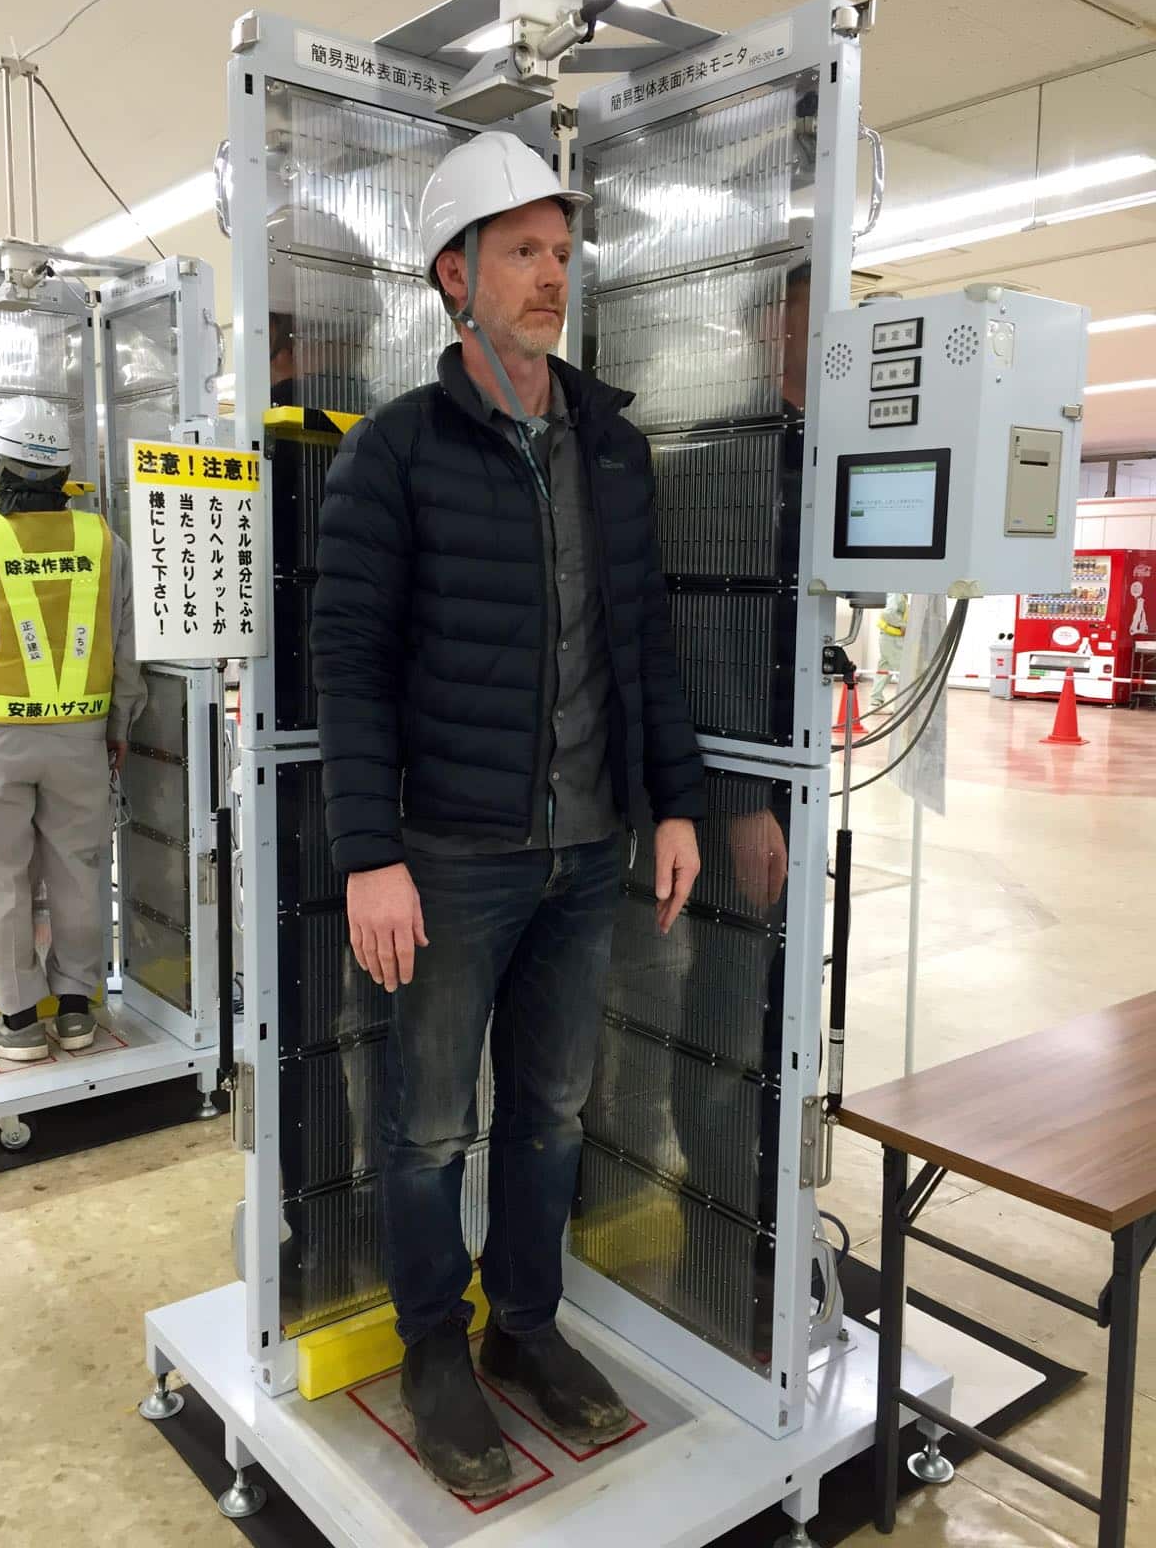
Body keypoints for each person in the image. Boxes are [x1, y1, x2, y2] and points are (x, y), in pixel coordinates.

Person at [311, 132, 705, 1496]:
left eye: (561, 248)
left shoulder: (612, 443)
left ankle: (524, 1330)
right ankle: (436, 1350)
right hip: (452, 859)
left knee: (549, 1113)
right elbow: (347, 662)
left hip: (590, 852)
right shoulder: (394, 455)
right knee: (425, 1128)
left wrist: (669, 805)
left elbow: (642, 639)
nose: (553, 274)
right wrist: (369, 853)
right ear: (455, 277)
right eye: (523, 250)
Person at [0, 396, 146, 1063]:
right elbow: (125, 650)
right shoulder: (105, 541)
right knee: (78, 871)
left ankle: (17, 1026)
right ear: (63, 470)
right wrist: (118, 725)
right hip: (84, 741)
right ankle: (74, 1013)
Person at [872, 592, 909, 707]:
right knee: (902, 670)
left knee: (884, 669)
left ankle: (875, 701)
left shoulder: (897, 593)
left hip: (888, 637)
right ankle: (904, 704)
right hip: (893, 638)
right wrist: (903, 625)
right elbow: (889, 613)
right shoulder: (897, 592)